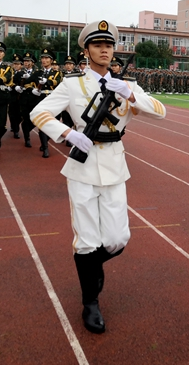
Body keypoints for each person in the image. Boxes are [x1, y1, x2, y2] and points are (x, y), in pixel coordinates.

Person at [30, 19, 166, 334]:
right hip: (82, 167)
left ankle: (92, 268)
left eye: (109, 45)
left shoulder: (127, 84)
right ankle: (90, 301)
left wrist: (130, 94)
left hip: (116, 166)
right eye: (98, 45)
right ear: (87, 50)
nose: (104, 50)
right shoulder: (72, 84)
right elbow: (38, 112)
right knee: (86, 240)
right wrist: (66, 134)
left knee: (119, 238)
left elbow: (160, 111)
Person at [8, 54, 23, 139]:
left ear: (21, 65)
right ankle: (16, 130)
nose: (16, 66)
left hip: (21, 96)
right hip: (12, 95)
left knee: (20, 114)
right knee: (12, 113)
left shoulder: (23, 73)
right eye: (15, 64)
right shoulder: (10, 72)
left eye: (18, 64)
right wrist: (12, 86)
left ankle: (15, 125)